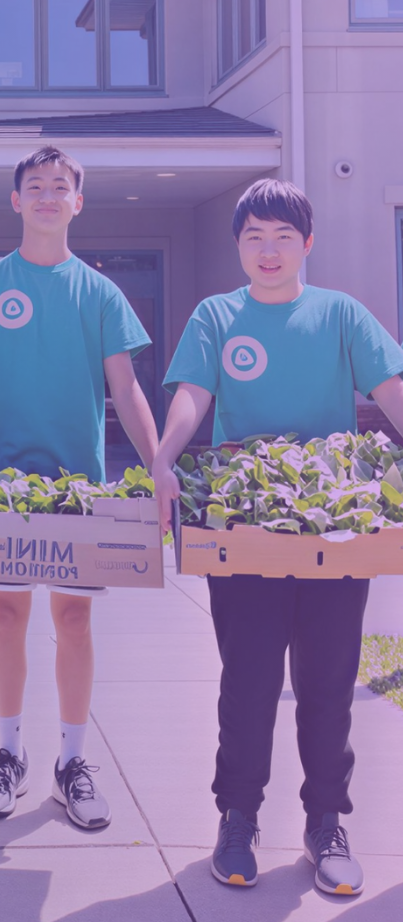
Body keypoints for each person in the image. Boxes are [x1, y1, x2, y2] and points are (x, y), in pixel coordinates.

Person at [152, 179, 403, 896]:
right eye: (255, 237)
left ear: (307, 244)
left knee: (328, 684)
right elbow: (193, 396)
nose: (268, 251)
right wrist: (164, 462)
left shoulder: (340, 314)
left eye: (282, 237)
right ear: (239, 245)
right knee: (250, 681)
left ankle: (326, 823)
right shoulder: (215, 316)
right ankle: (238, 817)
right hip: (245, 523)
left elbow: (390, 389)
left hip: (333, 526)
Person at [0, 146, 158, 832]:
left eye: (61, 187)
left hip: (79, 491)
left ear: (78, 202)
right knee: (6, 618)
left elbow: (126, 388)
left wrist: (159, 465)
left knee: (74, 621)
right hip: (3, 491)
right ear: (16, 201)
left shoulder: (101, 293)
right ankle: (9, 754)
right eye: (36, 186)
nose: (49, 196)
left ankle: (72, 764)